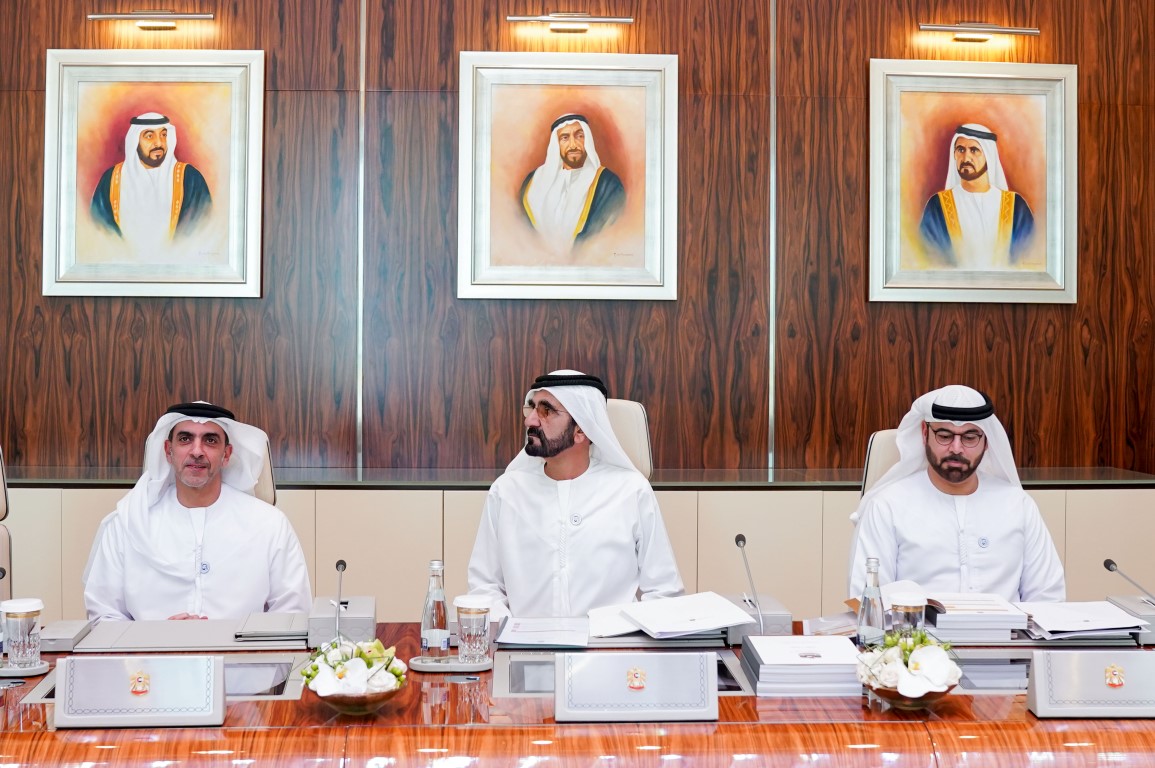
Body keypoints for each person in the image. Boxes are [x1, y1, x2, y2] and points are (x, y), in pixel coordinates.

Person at [467, 370, 684, 620]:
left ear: (581, 429)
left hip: (610, 643)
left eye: (546, 411)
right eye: (532, 408)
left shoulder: (631, 491)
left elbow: (664, 592)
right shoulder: (506, 491)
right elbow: (484, 589)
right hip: (525, 642)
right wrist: (509, 634)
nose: (530, 421)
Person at [83, 402, 312, 622]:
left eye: (210, 440)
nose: (197, 451)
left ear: (226, 454)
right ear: (168, 451)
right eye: (185, 439)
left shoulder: (269, 524)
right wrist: (156, 638)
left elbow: (293, 613)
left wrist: (231, 639)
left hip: (242, 651)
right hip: (150, 651)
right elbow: (104, 616)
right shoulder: (127, 524)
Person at [847, 385, 1065, 603]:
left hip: (1006, 626)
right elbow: (869, 603)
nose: (956, 448)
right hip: (917, 626)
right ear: (925, 433)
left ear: (986, 441)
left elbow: (1048, 597)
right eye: (944, 436)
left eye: (970, 437)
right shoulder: (887, 506)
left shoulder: (1017, 505)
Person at [90, 112, 212, 253]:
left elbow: (202, 230)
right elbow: (99, 231)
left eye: (163, 135)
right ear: (135, 141)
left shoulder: (190, 179)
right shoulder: (111, 180)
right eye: (149, 136)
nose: (159, 143)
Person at [918, 124, 1035, 269]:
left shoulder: (1016, 207)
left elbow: (1029, 256)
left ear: (988, 156)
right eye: (960, 150)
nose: (966, 157)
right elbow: (928, 258)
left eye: (974, 150)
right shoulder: (938, 206)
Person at [519, 114, 626, 251]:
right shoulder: (532, 183)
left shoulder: (608, 185)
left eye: (579, 136)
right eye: (565, 138)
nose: (573, 145)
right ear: (556, 144)